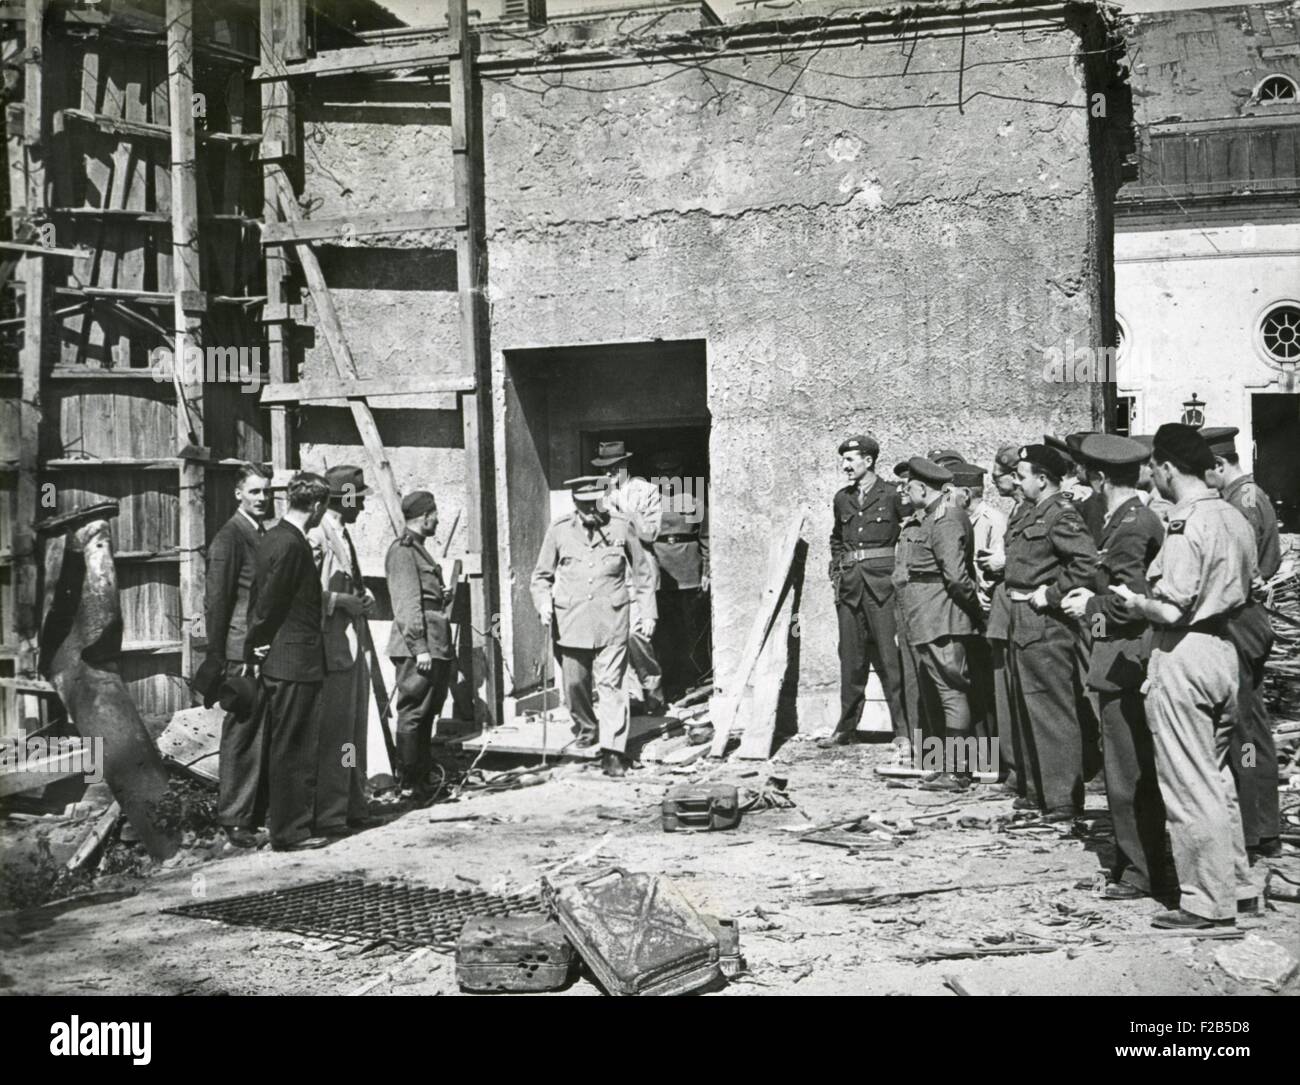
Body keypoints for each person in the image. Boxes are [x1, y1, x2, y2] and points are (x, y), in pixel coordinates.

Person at [1109, 423, 1258, 928]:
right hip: (1224, 651)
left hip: (1184, 653)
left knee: (1188, 783)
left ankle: (1206, 903)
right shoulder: (1233, 514)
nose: (1152, 475)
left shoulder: (1184, 522)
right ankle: (1238, 887)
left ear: (1168, 468)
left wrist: (1133, 601)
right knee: (1217, 779)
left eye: (1153, 467)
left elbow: (1172, 609)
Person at [1061, 435, 1171, 902]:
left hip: (1128, 658)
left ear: (1101, 477)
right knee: (1126, 770)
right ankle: (1135, 863)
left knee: (1128, 774)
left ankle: (1142, 871)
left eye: (1088, 474)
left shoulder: (1130, 527)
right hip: (1121, 657)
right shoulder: (1124, 520)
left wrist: (1090, 607)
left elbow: (1130, 606)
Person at [531, 476, 656, 777]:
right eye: (583, 505)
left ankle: (613, 750)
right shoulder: (559, 529)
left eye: (594, 504)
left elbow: (642, 572)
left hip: (612, 619)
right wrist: (543, 603)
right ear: (574, 503)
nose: (590, 511)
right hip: (570, 621)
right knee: (575, 684)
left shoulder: (621, 525)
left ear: (604, 500)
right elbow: (541, 576)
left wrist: (648, 613)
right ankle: (587, 726)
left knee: (612, 685)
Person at [1004, 443, 1099, 820]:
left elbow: (1086, 563)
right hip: (1020, 615)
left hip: (1044, 620)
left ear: (1042, 480)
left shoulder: (1060, 514)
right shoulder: (1033, 512)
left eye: (1022, 476)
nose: (1017, 482)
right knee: (1028, 706)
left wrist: (1054, 595)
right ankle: (1037, 790)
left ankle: (1062, 798)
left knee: (1052, 708)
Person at [1203, 426, 1282, 860]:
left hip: (1240, 622)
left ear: (1219, 466)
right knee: (1253, 727)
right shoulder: (1242, 497)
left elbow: (1242, 572)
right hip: (1249, 619)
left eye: (1205, 471)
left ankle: (1253, 827)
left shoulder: (1243, 502)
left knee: (1245, 734)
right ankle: (1263, 824)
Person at [245, 472, 331, 852]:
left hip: (285, 657)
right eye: (322, 507)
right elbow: (269, 603)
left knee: (285, 743)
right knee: (294, 746)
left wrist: (258, 645)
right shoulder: (292, 544)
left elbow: (259, 597)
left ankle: (282, 825)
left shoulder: (272, 537)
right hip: (294, 659)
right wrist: (257, 642)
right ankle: (291, 832)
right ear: (315, 506)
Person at [894, 457, 983, 789]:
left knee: (952, 692)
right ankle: (947, 765)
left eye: (910, 486)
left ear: (921, 487)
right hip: (926, 619)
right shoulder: (926, 518)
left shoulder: (946, 521)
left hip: (943, 619)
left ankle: (959, 771)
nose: (905, 490)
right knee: (940, 694)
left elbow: (957, 578)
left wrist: (975, 612)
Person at [825, 434, 908, 751]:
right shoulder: (842, 499)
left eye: (850, 459)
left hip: (882, 586)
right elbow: (836, 538)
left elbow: (911, 531)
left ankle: (904, 730)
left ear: (869, 460)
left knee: (891, 660)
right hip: (850, 588)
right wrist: (837, 570)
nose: (845, 466)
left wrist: (901, 574)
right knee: (851, 660)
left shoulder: (892, 494)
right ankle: (846, 728)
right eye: (843, 460)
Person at [308, 465, 378, 834]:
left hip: (350, 646)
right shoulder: (317, 536)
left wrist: (360, 597)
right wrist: (342, 603)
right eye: (358, 499)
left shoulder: (342, 534)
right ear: (343, 498)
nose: (362, 507)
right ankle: (331, 813)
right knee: (336, 734)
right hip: (331, 648)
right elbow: (306, 594)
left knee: (352, 732)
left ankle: (353, 803)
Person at [203, 464, 269, 849]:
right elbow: (217, 604)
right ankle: (234, 820)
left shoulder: (260, 533)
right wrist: (223, 657)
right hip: (240, 652)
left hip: (259, 649)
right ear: (238, 494)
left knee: (261, 731)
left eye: (266, 492)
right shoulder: (229, 538)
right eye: (255, 492)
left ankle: (254, 813)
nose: (263, 499)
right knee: (242, 733)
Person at [384, 490, 455, 800]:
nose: (438, 520)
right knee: (413, 713)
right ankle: (410, 784)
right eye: (435, 514)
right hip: (419, 647)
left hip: (433, 643)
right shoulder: (403, 551)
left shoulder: (420, 550)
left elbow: (424, 598)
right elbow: (407, 604)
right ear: (426, 515)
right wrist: (420, 647)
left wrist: (442, 594)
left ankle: (423, 780)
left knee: (426, 713)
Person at [594, 441, 664, 715]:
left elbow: (651, 532)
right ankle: (632, 698)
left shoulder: (646, 491)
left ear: (624, 466)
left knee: (638, 636)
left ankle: (653, 690)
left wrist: (622, 514)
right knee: (615, 638)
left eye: (614, 469)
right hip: (613, 574)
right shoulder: (600, 495)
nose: (610, 475)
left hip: (639, 573)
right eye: (606, 470)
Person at [952, 461, 1007, 765]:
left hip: (987, 612)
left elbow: (996, 569)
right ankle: (979, 758)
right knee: (972, 688)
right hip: (969, 611)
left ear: (965, 493)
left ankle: (995, 760)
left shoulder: (992, 521)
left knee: (989, 690)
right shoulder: (959, 519)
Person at [980, 445, 1025, 792]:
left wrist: (1002, 563)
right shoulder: (1019, 509)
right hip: (1004, 613)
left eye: (999, 477)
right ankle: (1012, 771)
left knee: (1016, 699)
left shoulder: (1026, 511)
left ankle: (1017, 773)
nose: (996, 485)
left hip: (1017, 613)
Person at [649, 450, 710, 702]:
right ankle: (668, 683)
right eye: (662, 473)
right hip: (659, 569)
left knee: (689, 629)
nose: (667, 477)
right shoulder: (649, 500)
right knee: (663, 631)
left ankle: (691, 681)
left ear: (681, 472)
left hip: (687, 569)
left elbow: (705, 536)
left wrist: (707, 570)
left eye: (672, 471)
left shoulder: (694, 499)